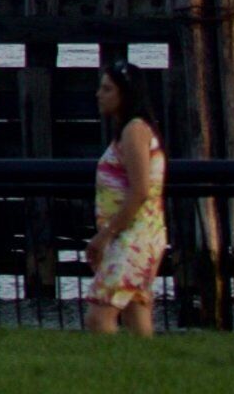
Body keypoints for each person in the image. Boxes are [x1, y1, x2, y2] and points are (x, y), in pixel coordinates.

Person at [84, 66, 165, 336]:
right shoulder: (130, 131)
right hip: (141, 235)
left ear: (126, 95)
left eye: (107, 89)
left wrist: (105, 235)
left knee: (99, 314)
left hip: (133, 237)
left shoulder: (134, 131)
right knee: (135, 312)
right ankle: (147, 374)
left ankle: (109, 375)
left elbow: (140, 189)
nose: (99, 94)